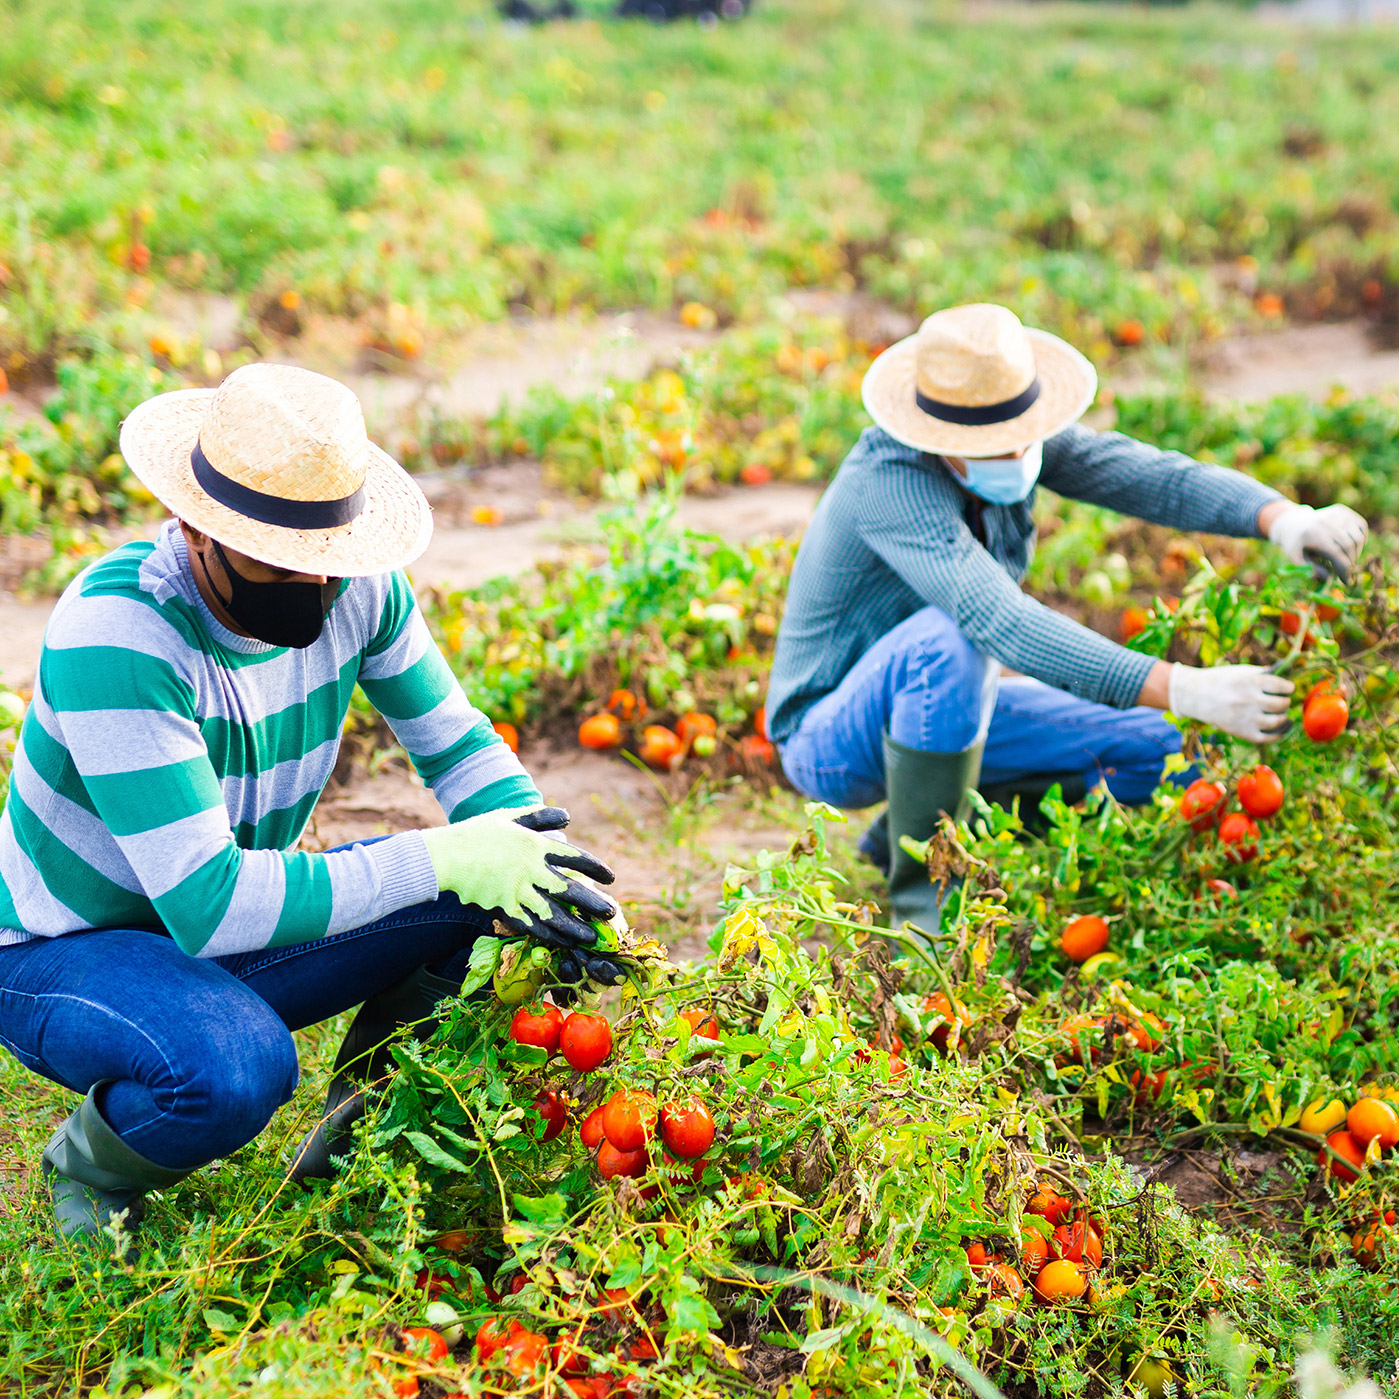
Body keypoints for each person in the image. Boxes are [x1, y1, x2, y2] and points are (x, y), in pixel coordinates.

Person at [0, 363, 626, 1244]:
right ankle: (90, 1170)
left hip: (225, 923)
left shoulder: (357, 583)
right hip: (68, 949)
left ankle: (352, 1163)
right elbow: (208, 905)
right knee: (234, 1065)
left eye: (322, 559)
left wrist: (546, 866)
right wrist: (440, 855)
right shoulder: (122, 635)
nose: (312, 585)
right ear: (195, 525)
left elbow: (456, 744)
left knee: (489, 902)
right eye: (276, 557)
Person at [767, 303, 1368, 931]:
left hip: (950, 706)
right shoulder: (889, 483)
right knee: (949, 642)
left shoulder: (1016, 437)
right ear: (943, 442)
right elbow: (999, 621)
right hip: (829, 737)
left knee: (1168, 753)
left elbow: (1147, 477)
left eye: (1027, 434)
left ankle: (915, 825)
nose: (1023, 451)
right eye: (998, 445)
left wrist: (1281, 516)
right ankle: (924, 912)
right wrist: (1182, 685)